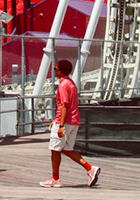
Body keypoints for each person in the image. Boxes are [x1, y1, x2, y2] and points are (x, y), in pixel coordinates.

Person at [41, 59, 99, 189]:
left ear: (60, 72)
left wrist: (60, 125)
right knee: (67, 149)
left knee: (55, 149)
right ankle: (90, 169)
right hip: (74, 121)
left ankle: (55, 179)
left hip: (65, 122)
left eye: (55, 69)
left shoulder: (62, 85)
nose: (54, 71)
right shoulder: (71, 83)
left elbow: (64, 105)